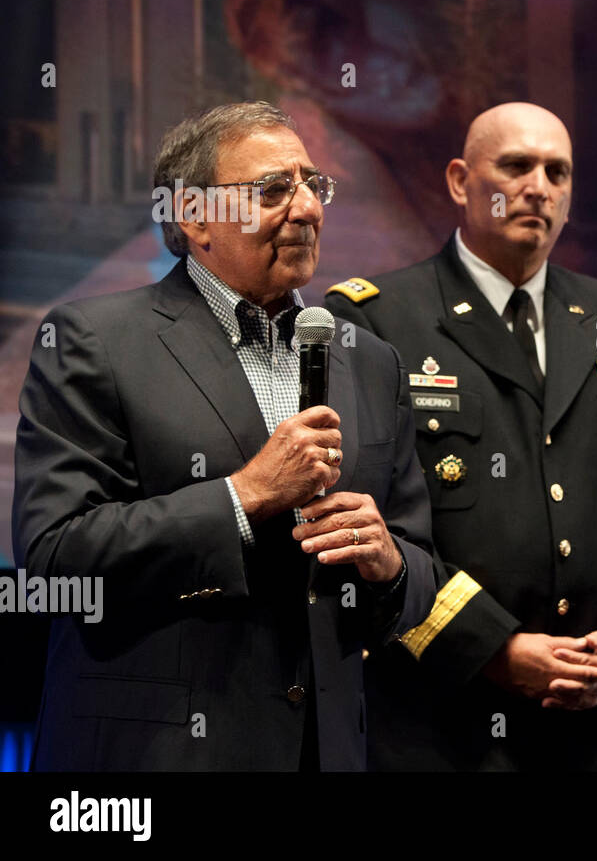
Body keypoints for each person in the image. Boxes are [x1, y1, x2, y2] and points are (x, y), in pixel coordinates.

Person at [12, 102, 440, 770]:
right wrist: (243, 498)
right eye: (273, 190)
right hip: (157, 756)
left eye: (313, 186)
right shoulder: (93, 341)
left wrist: (388, 563)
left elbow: (420, 568)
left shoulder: (370, 360)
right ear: (194, 216)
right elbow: (54, 557)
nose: (306, 209)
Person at [324, 102, 597, 770]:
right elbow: (363, 526)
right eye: (516, 166)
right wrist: (493, 647)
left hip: (596, 728)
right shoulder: (379, 321)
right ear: (462, 181)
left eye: (558, 173)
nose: (539, 188)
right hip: (439, 723)